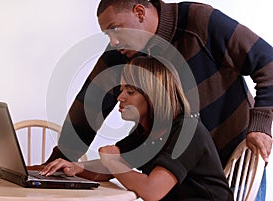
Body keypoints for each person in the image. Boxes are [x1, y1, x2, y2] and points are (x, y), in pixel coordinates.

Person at [40, 0, 273, 200]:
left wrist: (260, 125)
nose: (112, 41)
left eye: (115, 29)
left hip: (234, 157)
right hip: (177, 172)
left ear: (140, 13)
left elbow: (268, 62)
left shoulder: (199, 22)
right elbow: (88, 106)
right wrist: (60, 165)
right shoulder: (122, 54)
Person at [40, 56, 234, 201]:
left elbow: (152, 191)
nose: (120, 97)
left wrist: (114, 162)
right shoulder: (146, 132)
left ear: (154, 95)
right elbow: (109, 170)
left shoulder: (187, 131)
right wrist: (77, 167)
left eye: (130, 92)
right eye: (122, 89)